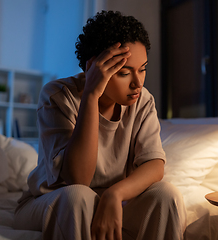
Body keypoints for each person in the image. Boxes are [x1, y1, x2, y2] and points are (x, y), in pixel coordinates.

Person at [14, 10, 186, 240]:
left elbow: (154, 165)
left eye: (142, 69)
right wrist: (91, 96)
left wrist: (115, 194)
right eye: (124, 72)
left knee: (166, 195)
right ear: (94, 67)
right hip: (53, 200)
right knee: (78, 197)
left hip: (112, 202)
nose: (138, 83)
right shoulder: (58, 96)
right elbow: (79, 178)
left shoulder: (143, 101)